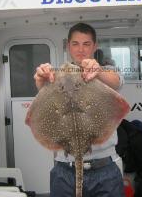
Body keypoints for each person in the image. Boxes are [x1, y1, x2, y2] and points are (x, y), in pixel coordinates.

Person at [33, 23, 124, 197]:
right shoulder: (57, 75)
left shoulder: (105, 71)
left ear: (95, 46)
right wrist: (41, 82)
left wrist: (98, 72)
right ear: (68, 46)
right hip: (64, 168)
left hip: (104, 167)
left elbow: (117, 81)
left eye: (86, 44)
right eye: (75, 44)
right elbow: (44, 101)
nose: (80, 49)